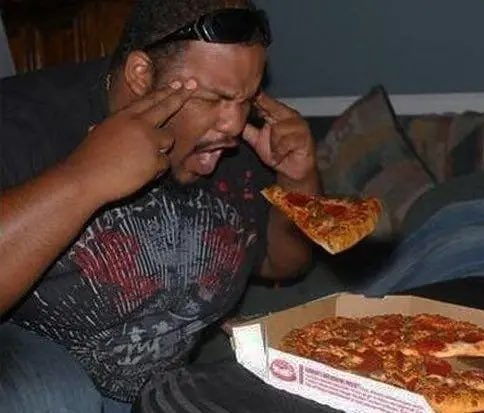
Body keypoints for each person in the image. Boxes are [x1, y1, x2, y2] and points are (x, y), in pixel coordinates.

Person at [0, 1, 321, 412]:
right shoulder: (20, 120)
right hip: (35, 377)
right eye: (214, 98)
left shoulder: (239, 144)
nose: (234, 124)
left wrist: (297, 181)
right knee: (54, 393)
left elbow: (282, 263)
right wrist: (84, 178)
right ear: (141, 75)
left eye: (246, 99)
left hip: (163, 392)